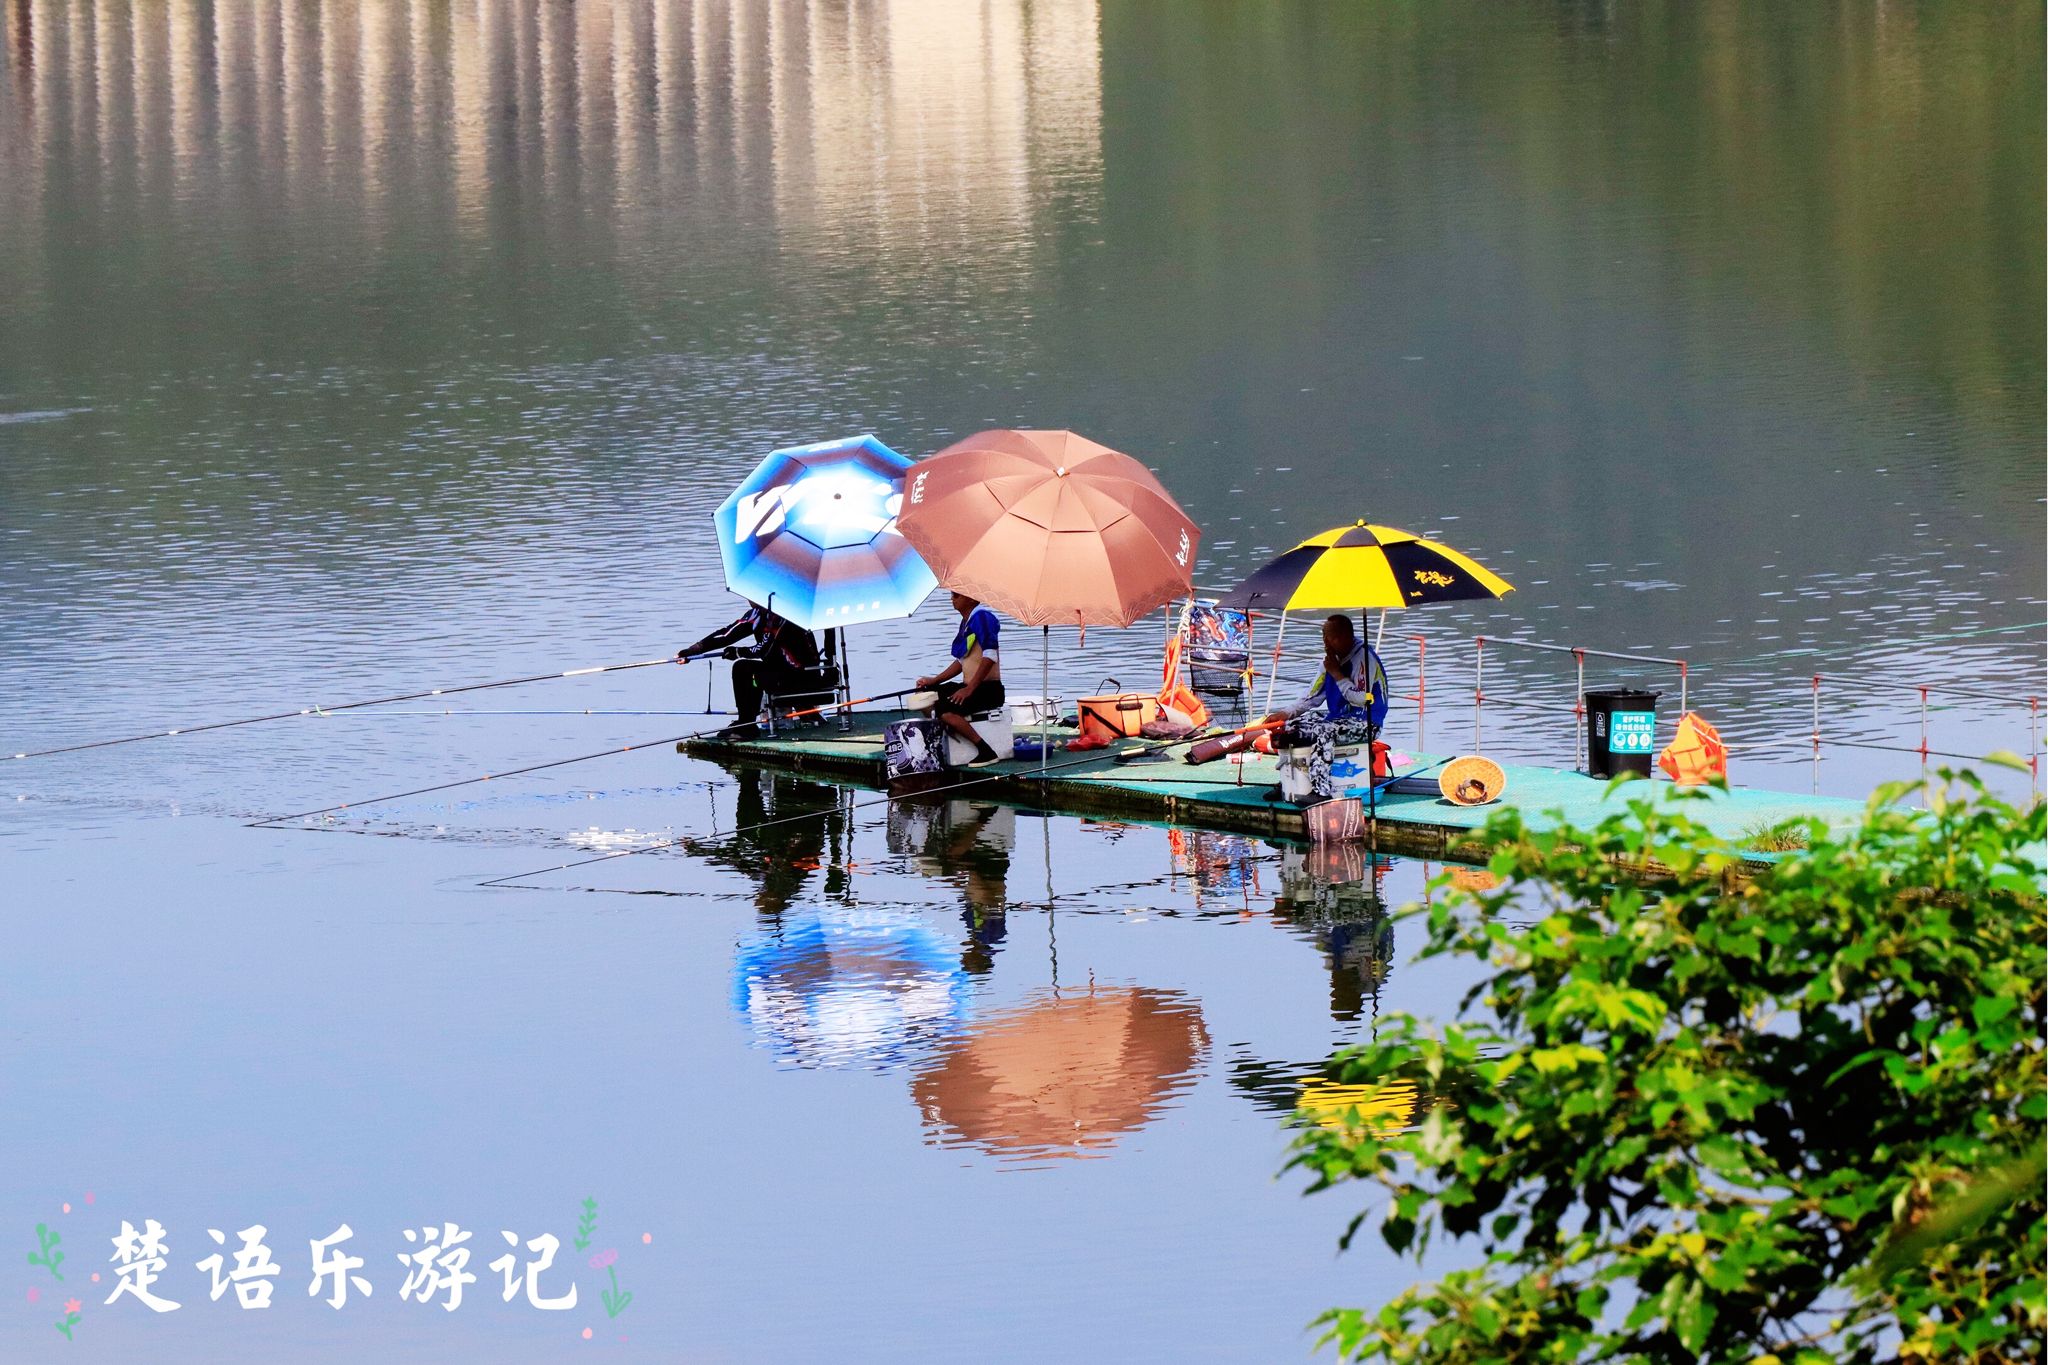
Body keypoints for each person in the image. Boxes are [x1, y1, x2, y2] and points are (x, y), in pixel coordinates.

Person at [1259, 613, 1388, 800]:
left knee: (1324, 729)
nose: (1326, 642)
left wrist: (1337, 673)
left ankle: (1321, 791)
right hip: (1339, 718)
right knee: (1291, 727)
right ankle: (1290, 782)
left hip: (1367, 722)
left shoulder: (1365, 659)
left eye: (1332, 637)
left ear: (1347, 637)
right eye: (1324, 637)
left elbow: (1361, 699)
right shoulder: (1329, 660)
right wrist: (1285, 713)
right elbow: (1312, 697)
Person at [679, 600, 822, 734]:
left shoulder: (781, 614)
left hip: (801, 675)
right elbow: (726, 635)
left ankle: (746, 725)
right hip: (781, 671)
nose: (749, 598)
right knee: (742, 667)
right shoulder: (756, 614)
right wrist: (692, 651)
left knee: (748, 670)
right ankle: (746, 723)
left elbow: (763, 648)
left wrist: (737, 652)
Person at [915, 592, 1007, 767]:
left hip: (988, 690)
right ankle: (945, 736)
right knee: (926, 694)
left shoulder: (983, 617)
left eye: (956, 596)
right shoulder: (968, 621)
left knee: (944, 709)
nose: (952, 599)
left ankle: (986, 751)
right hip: (969, 686)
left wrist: (969, 689)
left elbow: (990, 656)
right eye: (952, 595)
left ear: (971, 598)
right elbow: (961, 661)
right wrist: (934, 680)